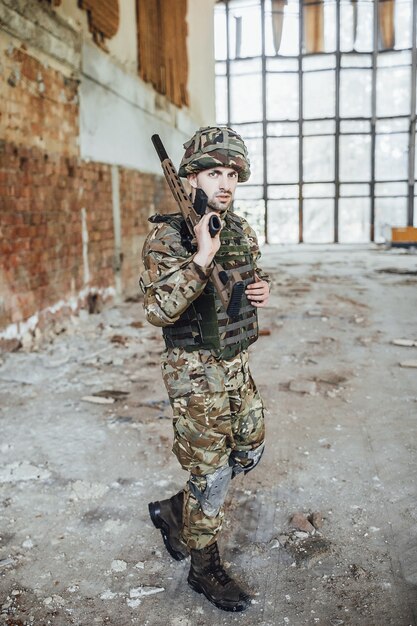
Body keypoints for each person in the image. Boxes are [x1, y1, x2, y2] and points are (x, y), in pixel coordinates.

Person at [140, 126, 270, 612]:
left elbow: (248, 277)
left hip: (235, 363)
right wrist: (202, 256)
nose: (225, 183)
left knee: (250, 450)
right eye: (214, 172)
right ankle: (203, 566)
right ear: (191, 176)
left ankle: (177, 510)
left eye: (233, 174)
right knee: (211, 475)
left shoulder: (238, 229)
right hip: (194, 372)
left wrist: (262, 289)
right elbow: (159, 310)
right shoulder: (168, 236)